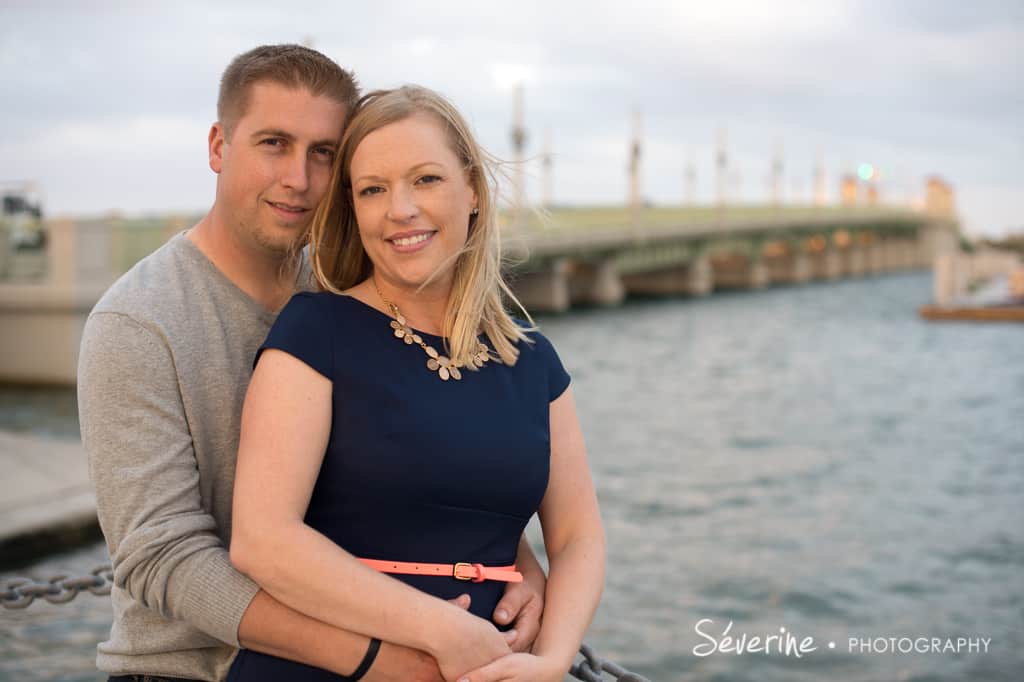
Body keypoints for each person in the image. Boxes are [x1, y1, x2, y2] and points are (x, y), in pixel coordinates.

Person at [77, 45, 547, 682]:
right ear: (218, 146)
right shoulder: (137, 324)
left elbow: (409, 461)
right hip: (190, 670)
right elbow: (163, 557)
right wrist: (380, 661)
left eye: (323, 153)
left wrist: (508, 557)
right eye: (274, 143)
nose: (299, 178)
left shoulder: (354, 295)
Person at [228, 85, 606, 682]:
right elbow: (263, 540)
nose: (400, 209)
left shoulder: (534, 362)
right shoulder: (316, 331)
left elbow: (578, 536)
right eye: (373, 189)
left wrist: (554, 660)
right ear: (353, 209)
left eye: (425, 180)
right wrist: (441, 630)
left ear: (473, 191)